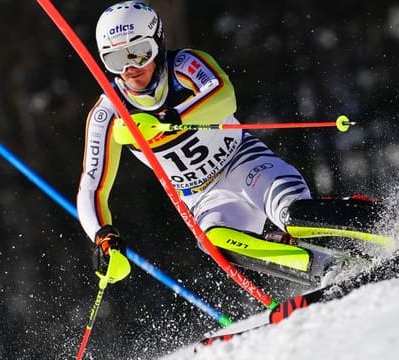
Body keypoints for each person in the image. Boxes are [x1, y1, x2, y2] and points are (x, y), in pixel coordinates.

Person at [76, 1, 345, 286]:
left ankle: (377, 220)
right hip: (204, 197)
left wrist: (171, 118)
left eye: (140, 54)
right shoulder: (108, 114)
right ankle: (326, 268)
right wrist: (104, 237)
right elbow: (93, 187)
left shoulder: (184, 65)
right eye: (116, 60)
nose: (130, 69)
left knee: (295, 216)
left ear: (157, 42)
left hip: (242, 162)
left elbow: (224, 96)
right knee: (216, 243)